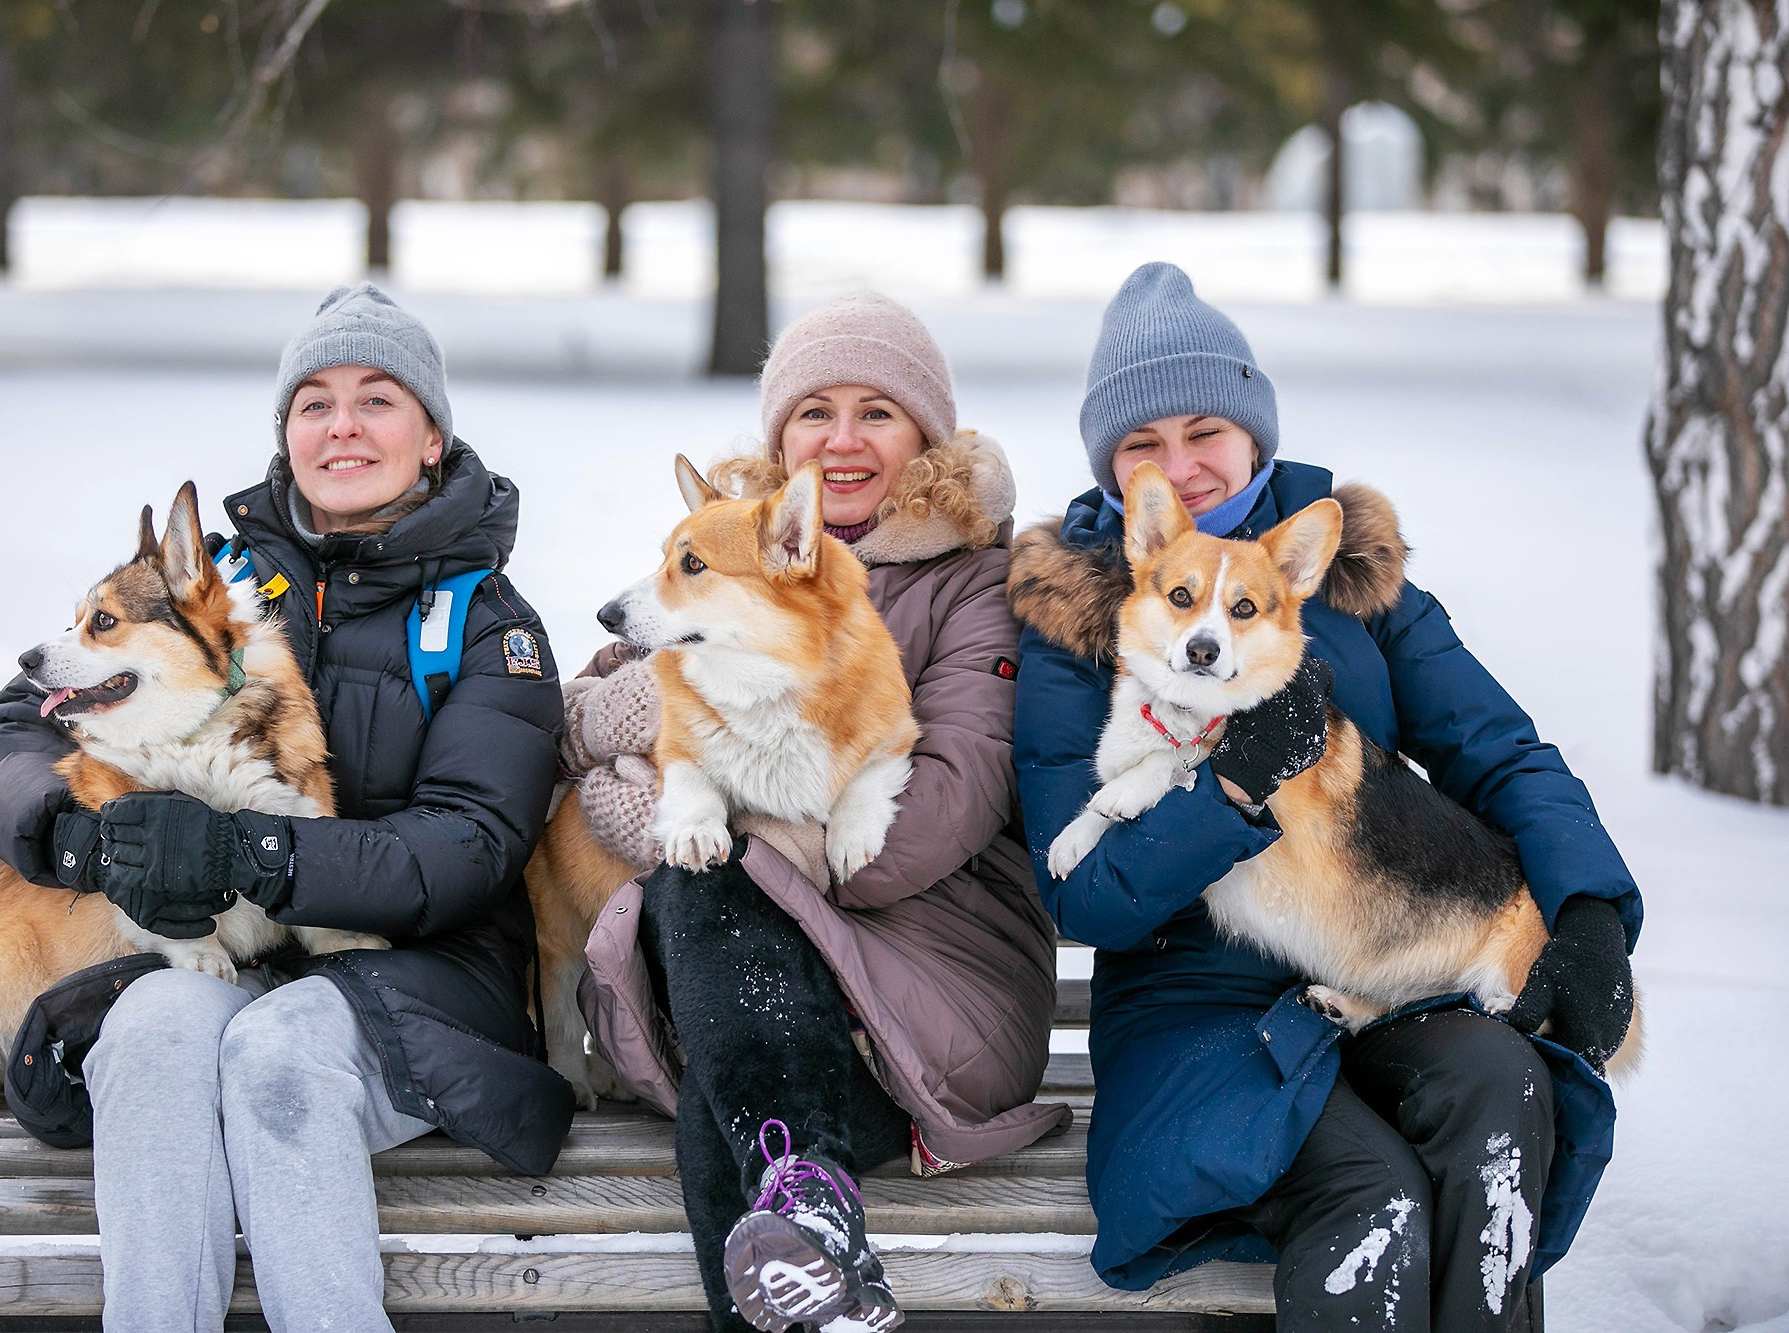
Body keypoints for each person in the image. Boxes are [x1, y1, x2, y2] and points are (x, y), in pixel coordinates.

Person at [1009, 262, 1642, 1332]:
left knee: (1499, 1097)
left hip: (1383, 969)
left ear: (1253, 435)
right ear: (1116, 477)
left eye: (1204, 429)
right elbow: (1086, 898)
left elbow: (1500, 751)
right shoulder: (1079, 621)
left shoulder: (1354, 585)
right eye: (1140, 445)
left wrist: (1585, 908)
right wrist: (1234, 789)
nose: (1181, 465)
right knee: (1372, 1197)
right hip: (1192, 1011)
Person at [0, 283, 575, 1333]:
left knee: (280, 1047)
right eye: (314, 402)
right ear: (285, 434)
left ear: (432, 437)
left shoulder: (484, 625)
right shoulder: (202, 584)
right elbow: (11, 732)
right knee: (151, 1027)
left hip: (423, 976)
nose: (343, 425)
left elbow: (469, 844)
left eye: (377, 399)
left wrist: (261, 854)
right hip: (231, 957)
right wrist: (78, 835)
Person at [565, 292, 1070, 1333]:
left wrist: (745, 832)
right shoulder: (721, 553)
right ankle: (812, 1210)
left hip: (934, 987)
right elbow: (597, 723)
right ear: (778, 435)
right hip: (758, 994)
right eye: (813, 412)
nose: (840, 440)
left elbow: (951, 796)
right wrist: (631, 730)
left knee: (719, 1000)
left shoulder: (980, 584)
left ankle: (804, 1194)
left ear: (924, 433)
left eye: (875, 411)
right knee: (737, 1056)